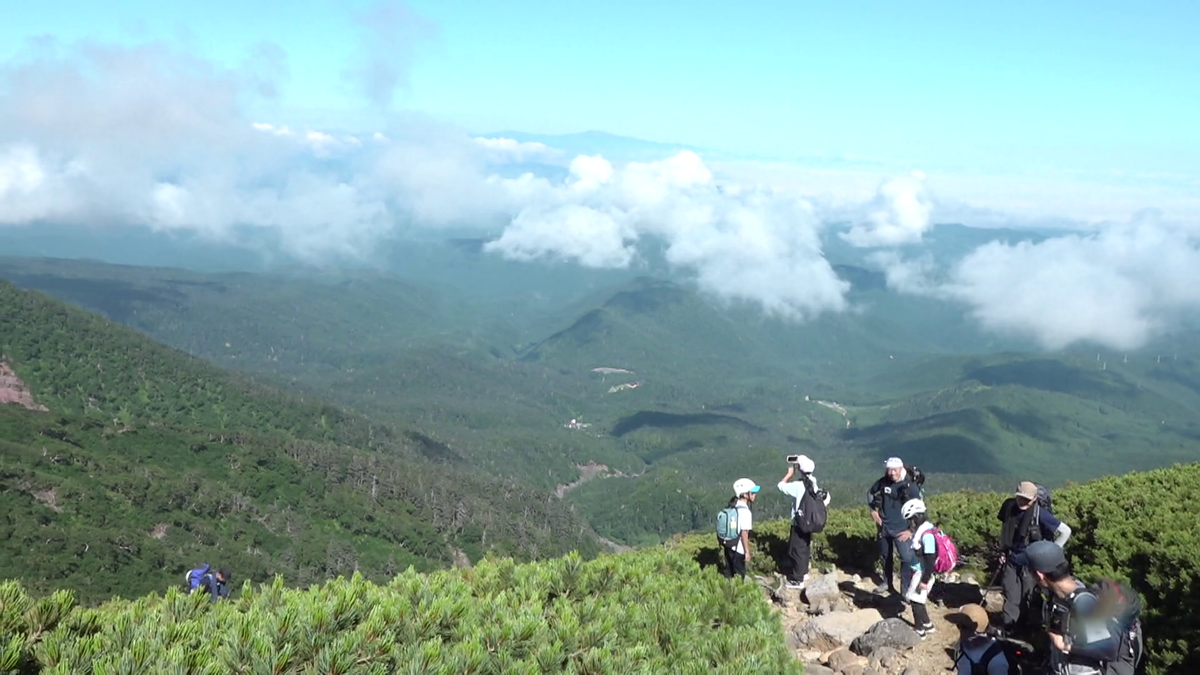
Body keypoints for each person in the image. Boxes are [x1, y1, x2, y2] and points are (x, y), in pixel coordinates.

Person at [1025, 541, 1144, 675]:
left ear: (1040, 574)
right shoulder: (1058, 595)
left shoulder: (1084, 602)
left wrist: (1065, 646)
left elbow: (1108, 650)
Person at [997, 481, 1072, 634]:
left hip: (1032, 564)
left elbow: (1066, 531)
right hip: (1012, 558)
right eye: (1020, 498)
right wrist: (1003, 551)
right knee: (1011, 595)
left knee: (1028, 598)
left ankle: (1023, 630)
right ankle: (1009, 628)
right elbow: (1006, 531)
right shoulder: (1009, 507)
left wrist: (1051, 552)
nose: (1023, 502)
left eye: (1027, 499)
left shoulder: (1041, 514)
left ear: (1034, 499)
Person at [867, 457, 923, 595]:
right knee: (886, 556)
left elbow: (920, 510)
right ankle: (887, 583)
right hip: (884, 526)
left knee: (906, 558)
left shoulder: (910, 487)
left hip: (902, 529)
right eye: (889, 470)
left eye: (895, 470)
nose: (892, 473)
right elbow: (870, 493)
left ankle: (905, 589)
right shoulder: (883, 482)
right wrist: (873, 511)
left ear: (901, 469)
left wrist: (912, 531)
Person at [778, 455, 831, 589]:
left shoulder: (798, 485)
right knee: (805, 547)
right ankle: (804, 572)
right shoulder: (813, 482)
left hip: (799, 522)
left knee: (796, 550)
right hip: (809, 522)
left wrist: (789, 474)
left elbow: (781, 486)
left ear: (799, 469)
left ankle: (797, 579)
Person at [901, 498, 938, 637]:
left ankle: (919, 631)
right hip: (921, 572)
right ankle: (928, 625)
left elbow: (930, 559)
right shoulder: (926, 529)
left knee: (915, 600)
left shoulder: (926, 535)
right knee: (919, 600)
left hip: (923, 573)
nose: (911, 522)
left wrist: (924, 580)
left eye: (911, 519)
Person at [951, 603, 1013, 675]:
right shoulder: (963, 645)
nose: (959, 630)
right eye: (958, 625)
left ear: (975, 631)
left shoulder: (996, 660)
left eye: (961, 626)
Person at [723, 478, 760, 579]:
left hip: (729, 545)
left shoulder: (732, 506)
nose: (755, 494)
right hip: (738, 549)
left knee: (728, 573)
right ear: (745, 494)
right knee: (739, 576)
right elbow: (744, 533)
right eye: (752, 492)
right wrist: (747, 552)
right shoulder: (745, 512)